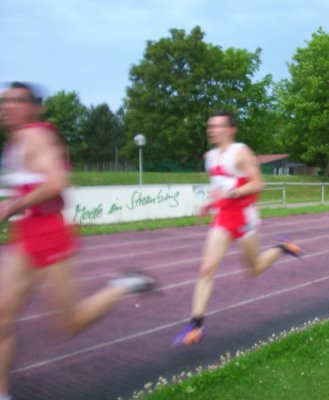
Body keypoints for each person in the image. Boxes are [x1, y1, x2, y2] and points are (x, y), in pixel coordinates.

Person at [0, 82, 155, 400]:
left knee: (67, 324)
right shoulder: (14, 143)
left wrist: (13, 206)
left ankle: (122, 286)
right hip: (26, 233)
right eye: (4, 101)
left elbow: (57, 182)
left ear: (33, 108)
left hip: (50, 234)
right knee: (3, 317)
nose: (7, 107)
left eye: (16, 101)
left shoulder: (35, 136)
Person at [172, 110, 302, 346]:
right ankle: (196, 324)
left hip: (244, 217)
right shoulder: (210, 157)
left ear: (231, 129)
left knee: (254, 270)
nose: (212, 130)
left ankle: (281, 246)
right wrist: (209, 203)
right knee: (206, 268)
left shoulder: (241, 153)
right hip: (223, 217)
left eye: (217, 126)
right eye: (210, 126)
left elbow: (258, 183)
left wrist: (232, 193)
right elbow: (219, 187)